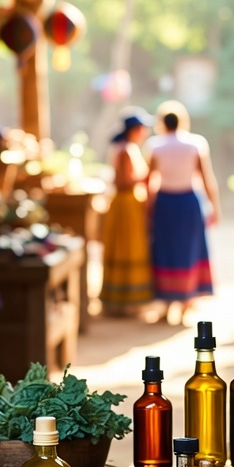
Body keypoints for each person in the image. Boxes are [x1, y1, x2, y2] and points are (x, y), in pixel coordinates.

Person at [145, 101, 222, 323]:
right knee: (189, 251)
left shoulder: (155, 146)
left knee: (166, 251)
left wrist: (147, 209)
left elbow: (149, 181)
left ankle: (169, 301)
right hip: (189, 202)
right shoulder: (195, 144)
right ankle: (187, 301)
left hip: (165, 204)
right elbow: (207, 179)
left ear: (162, 123)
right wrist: (215, 207)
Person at [100, 108, 153, 314]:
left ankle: (126, 298)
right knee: (127, 247)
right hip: (126, 202)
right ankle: (124, 299)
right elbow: (123, 181)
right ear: (135, 129)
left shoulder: (126, 147)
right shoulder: (125, 149)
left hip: (127, 202)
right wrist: (147, 174)